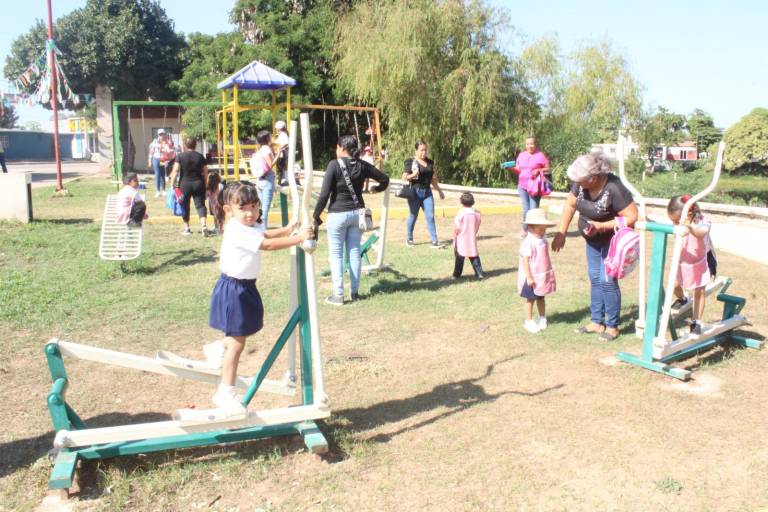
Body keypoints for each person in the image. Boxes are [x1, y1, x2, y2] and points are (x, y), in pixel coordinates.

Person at [205, 181, 313, 413]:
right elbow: (268, 244)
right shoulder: (235, 228)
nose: (250, 213)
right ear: (228, 210)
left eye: (254, 206)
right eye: (243, 208)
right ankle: (225, 392)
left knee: (238, 337)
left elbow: (264, 233)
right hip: (234, 289)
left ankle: (216, 348)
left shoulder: (249, 225)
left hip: (244, 288)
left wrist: (288, 228)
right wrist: (299, 237)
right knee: (237, 343)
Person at [551, 152, 638, 342]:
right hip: (592, 241)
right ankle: (597, 322)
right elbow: (570, 205)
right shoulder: (581, 182)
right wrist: (561, 233)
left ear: (594, 178)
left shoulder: (614, 188)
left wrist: (601, 226)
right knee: (595, 278)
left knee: (607, 280)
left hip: (612, 242)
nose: (577, 185)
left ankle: (613, 326)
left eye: (581, 181)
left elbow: (631, 217)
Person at [313, 135, 390, 305]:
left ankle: (338, 295)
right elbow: (385, 179)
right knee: (354, 252)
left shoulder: (334, 165)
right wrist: (376, 189)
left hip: (337, 214)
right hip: (357, 214)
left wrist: (315, 215)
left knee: (336, 254)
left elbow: (324, 194)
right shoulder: (362, 165)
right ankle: (355, 292)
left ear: (341, 148)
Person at [667, 195, 715, 336]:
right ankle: (682, 299)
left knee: (698, 291)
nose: (674, 223)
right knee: (675, 285)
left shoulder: (704, 222)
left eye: (676, 220)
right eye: (672, 221)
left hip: (701, 261)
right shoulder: (677, 223)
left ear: (688, 214)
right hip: (682, 261)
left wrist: (689, 226)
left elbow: (700, 234)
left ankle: (696, 322)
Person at [518, 208, 557, 333]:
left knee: (541, 297)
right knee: (530, 299)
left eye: (544, 229)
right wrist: (529, 277)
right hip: (532, 277)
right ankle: (528, 321)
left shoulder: (543, 240)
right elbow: (525, 261)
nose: (543, 231)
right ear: (530, 226)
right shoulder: (528, 242)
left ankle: (542, 318)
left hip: (542, 275)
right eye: (541, 229)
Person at [403, 140, 446, 248]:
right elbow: (404, 177)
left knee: (430, 216)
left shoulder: (430, 162)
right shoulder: (410, 161)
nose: (424, 152)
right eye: (421, 150)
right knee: (413, 216)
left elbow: (433, 179)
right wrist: (413, 175)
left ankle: (434, 241)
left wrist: (439, 191)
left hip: (427, 193)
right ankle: (409, 238)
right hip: (415, 193)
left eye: (425, 150)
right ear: (416, 150)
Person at [169, 137, 209, 236]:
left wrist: (171, 185)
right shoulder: (200, 157)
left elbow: (175, 170)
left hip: (185, 184)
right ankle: (203, 225)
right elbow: (205, 172)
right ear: (195, 145)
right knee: (200, 205)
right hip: (198, 183)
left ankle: (187, 228)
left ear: (185, 146)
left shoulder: (180, 156)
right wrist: (206, 184)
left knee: (185, 206)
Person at [511, 137, 550, 238]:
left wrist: (539, 170)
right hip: (522, 185)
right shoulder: (521, 155)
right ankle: (525, 230)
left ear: (535, 144)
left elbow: (548, 168)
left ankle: (536, 231)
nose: (530, 146)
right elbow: (518, 170)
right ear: (525, 145)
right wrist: (510, 167)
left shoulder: (540, 155)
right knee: (526, 209)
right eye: (528, 144)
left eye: (531, 144)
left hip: (535, 186)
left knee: (534, 209)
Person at [452, 192, 484, 280]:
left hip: (461, 238)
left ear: (461, 202)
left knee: (460, 257)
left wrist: (455, 235)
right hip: (471, 238)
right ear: (473, 202)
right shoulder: (476, 213)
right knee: (474, 255)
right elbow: (477, 224)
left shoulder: (461, 213)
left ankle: (456, 275)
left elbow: (457, 226)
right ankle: (479, 273)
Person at [250, 130, 276, 227]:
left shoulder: (260, 149)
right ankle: (263, 230)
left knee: (260, 208)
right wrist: (278, 154)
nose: (272, 138)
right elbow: (270, 165)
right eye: (270, 136)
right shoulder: (266, 149)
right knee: (265, 209)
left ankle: (258, 227)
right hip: (267, 181)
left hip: (260, 180)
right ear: (266, 138)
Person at [148, 130, 174, 197]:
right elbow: (151, 151)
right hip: (155, 159)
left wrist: (169, 140)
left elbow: (171, 148)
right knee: (157, 174)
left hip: (162, 160)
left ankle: (164, 190)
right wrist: (149, 160)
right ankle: (157, 191)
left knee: (162, 174)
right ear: (158, 135)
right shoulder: (154, 142)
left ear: (165, 134)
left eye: (162, 134)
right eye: (160, 134)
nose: (161, 135)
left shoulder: (167, 142)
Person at [274, 121, 290, 186]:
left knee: (281, 168)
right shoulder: (281, 135)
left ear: (279, 128)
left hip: (283, 153)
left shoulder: (283, 134)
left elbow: (286, 143)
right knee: (282, 168)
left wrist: (279, 148)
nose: (276, 130)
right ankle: (284, 181)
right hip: (282, 152)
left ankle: (280, 182)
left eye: (276, 128)